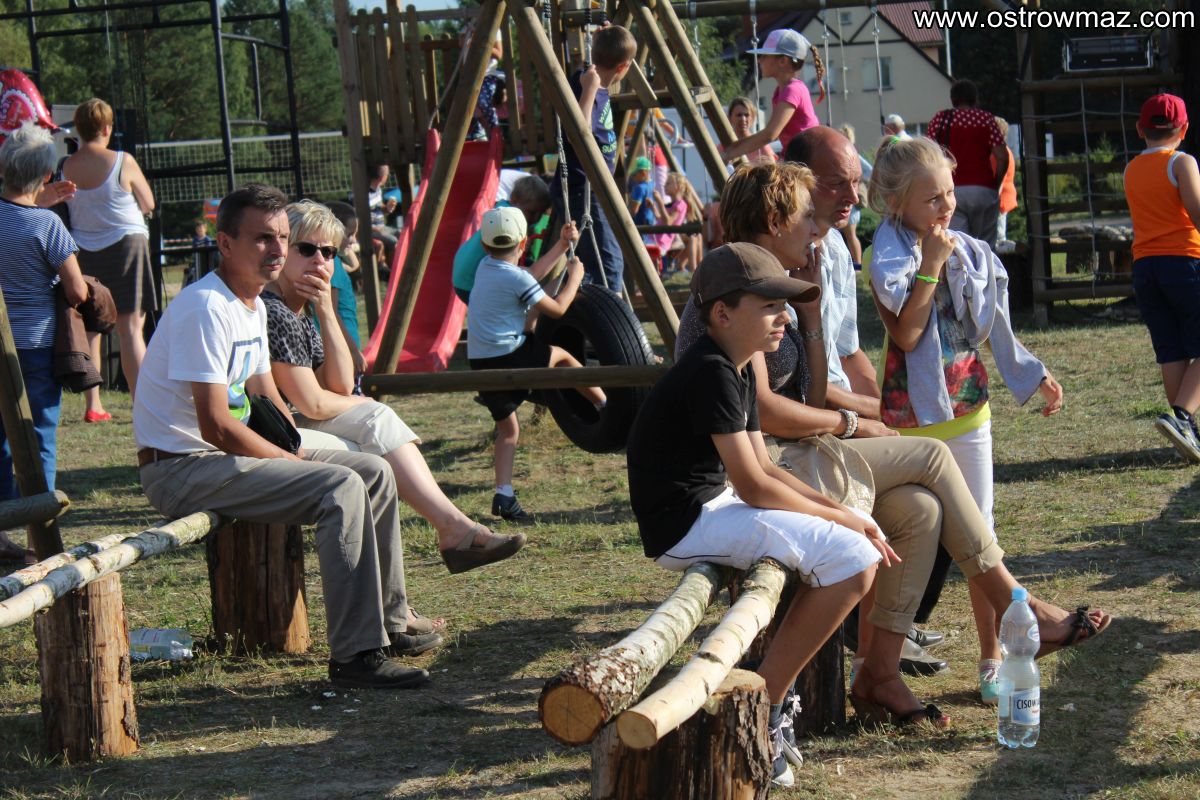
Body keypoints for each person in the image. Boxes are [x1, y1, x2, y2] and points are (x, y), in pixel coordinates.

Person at [670, 165, 1112, 738]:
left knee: (919, 511)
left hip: (791, 454)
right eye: (807, 215)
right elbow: (769, 412)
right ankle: (1016, 606)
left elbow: (808, 393)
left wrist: (811, 317)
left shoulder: (778, 281)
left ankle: (878, 674)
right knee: (931, 457)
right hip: (758, 467)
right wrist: (855, 422)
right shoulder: (740, 286)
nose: (818, 226)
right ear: (775, 221)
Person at [134, 183, 440, 689]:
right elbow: (216, 425)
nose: (276, 249)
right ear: (225, 242)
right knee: (340, 486)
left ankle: (391, 624)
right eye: (262, 238)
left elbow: (265, 399)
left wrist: (297, 448)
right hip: (179, 468)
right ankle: (356, 656)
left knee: (373, 471)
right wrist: (295, 463)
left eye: (281, 237)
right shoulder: (206, 307)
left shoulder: (251, 304)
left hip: (215, 459)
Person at [631, 241, 887, 786]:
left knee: (854, 544)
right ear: (723, 314)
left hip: (709, 506)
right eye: (769, 306)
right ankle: (765, 705)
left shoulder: (740, 365)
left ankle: (767, 698)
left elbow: (765, 468)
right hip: (685, 524)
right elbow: (752, 484)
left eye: (783, 305)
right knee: (856, 559)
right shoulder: (712, 371)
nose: (784, 317)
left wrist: (840, 510)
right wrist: (844, 522)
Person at [868, 135, 1066, 702]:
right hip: (913, 418)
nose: (947, 206)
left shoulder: (969, 249)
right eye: (932, 198)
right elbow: (907, 334)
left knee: (983, 536)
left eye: (949, 193)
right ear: (897, 204)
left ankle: (992, 658)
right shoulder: (887, 257)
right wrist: (931, 266)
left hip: (967, 407)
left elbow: (995, 322)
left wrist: (1031, 372)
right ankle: (876, 663)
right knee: (907, 539)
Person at [263, 200, 526, 575]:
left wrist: (326, 311)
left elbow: (338, 384)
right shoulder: (274, 310)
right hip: (264, 440)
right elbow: (313, 403)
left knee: (374, 446)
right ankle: (447, 536)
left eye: (329, 252)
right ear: (282, 250)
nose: (319, 260)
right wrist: (357, 403)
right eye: (306, 249)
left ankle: (435, 547)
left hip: (288, 430)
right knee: (374, 439)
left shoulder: (299, 311)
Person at [467, 207, 604, 522]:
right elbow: (557, 309)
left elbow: (529, 275)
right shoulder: (514, 277)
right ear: (523, 243)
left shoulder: (485, 267)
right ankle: (604, 404)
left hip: (480, 363)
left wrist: (561, 245)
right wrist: (574, 277)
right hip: (510, 356)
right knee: (562, 356)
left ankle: (504, 494)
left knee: (508, 430)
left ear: (485, 246)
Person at [0, 121, 88, 564]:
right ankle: (42, 536)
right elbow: (77, 290)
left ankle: (1, 532)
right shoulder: (47, 224)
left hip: (1, 345)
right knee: (41, 435)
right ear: (47, 175)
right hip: (35, 343)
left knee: (0, 437)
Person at [63, 98, 156, 423]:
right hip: (127, 245)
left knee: (93, 326)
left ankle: (94, 404)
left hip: (84, 250)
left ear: (78, 128)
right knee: (131, 329)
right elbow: (148, 202)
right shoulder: (123, 161)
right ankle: (143, 405)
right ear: (107, 128)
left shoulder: (66, 166)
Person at [1123, 93, 1200, 462]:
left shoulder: (1130, 169)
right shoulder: (1182, 163)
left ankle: (1185, 432)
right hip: (1184, 262)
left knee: (1172, 350)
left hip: (1145, 268)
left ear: (1141, 129)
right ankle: (1182, 418)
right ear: (1184, 129)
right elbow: (1196, 211)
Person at [783, 127, 881, 417]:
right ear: (798, 182)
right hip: (806, 418)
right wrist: (875, 411)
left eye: (856, 182)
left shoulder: (837, 246)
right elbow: (793, 384)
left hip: (838, 413)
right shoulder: (775, 260)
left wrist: (890, 415)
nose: (854, 197)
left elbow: (848, 353)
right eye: (837, 183)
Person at [552, 24, 636, 294]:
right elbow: (578, 133)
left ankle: (552, 310)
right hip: (583, 190)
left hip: (594, 189)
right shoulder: (587, 84)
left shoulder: (592, 80)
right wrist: (590, 90)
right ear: (623, 67)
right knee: (608, 267)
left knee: (592, 268)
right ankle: (611, 323)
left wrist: (604, 37)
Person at [452, 175, 578, 305]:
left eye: (541, 214)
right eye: (532, 212)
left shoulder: (503, 210)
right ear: (514, 200)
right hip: (469, 282)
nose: (535, 218)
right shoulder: (507, 218)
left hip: (463, 272)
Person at [927, 79, 1009, 249]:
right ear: (975, 98)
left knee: (958, 247)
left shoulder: (941, 120)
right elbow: (1002, 156)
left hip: (952, 189)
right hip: (984, 189)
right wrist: (995, 184)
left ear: (953, 99)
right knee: (986, 247)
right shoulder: (986, 119)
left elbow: (927, 154)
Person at [722, 30, 825, 163]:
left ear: (782, 61)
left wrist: (729, 153)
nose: (759, 60)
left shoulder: (792, 90)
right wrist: (733, 148)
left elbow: (770, 134)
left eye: (765, 55)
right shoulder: (780, 92)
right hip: (800, 158)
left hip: (810, 161)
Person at [322, 201, 368, 383]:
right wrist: (353, 351)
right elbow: (332, 313)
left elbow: (355, 265)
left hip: (342, 345)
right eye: (349, 234)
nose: (354, 240)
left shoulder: (336, 262)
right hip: (341, 348)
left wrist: (344, 242)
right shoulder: (332, 264)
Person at [838, 123, 873, 272]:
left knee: (851, 235)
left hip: (852, 205)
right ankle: (854, 264)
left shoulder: (853, 155)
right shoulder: (845, 154)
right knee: (847, 235)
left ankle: (857, 264)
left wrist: (855, 180)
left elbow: (869, 171)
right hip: (848, 202)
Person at [658, 172, 702, 274]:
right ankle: (692, 268)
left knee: (696, 237)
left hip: (671, 234)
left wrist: (659, 204)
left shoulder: (679, 204)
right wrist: (655, 207)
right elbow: (665, 221)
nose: (665, 185)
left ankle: (694, 267)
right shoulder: (671, 205)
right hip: (669, 235)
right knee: (693, 237)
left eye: (668, 183)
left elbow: (669, 222)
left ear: (677, 187)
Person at [726, 96, 777, 163]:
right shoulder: (724, 147)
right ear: (729, 118)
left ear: (752, 118)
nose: (743, 119)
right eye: (739, 115)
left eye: (746, 115)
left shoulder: (761, 146)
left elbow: (773, 167)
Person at [626, 155, 664, 242]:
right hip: (650, 221)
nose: (633, 178)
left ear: (643, 172)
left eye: (634, 174)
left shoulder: (639, 188)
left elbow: (634, 211)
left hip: (640, 223)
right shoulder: (652, 184)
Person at [366, 163, 398, 262]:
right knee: (393, 241)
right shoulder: (364, 193)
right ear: (382, 177)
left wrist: (387, 208)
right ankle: (392, 266)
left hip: (381, 227)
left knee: (401, 234)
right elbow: (360, 218)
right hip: (372, 230)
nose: (388, 176)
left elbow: (379, 208)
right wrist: (374, 229)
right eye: (387, 174)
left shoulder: (378, 190)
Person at [992, 117, 1017, 246]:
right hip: (1002, 197)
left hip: (1000, 198)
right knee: (997, 235)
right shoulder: (1002, 151)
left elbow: (1000, 178)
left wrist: (994, 199)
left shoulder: (1000, 153)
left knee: (998, 237)